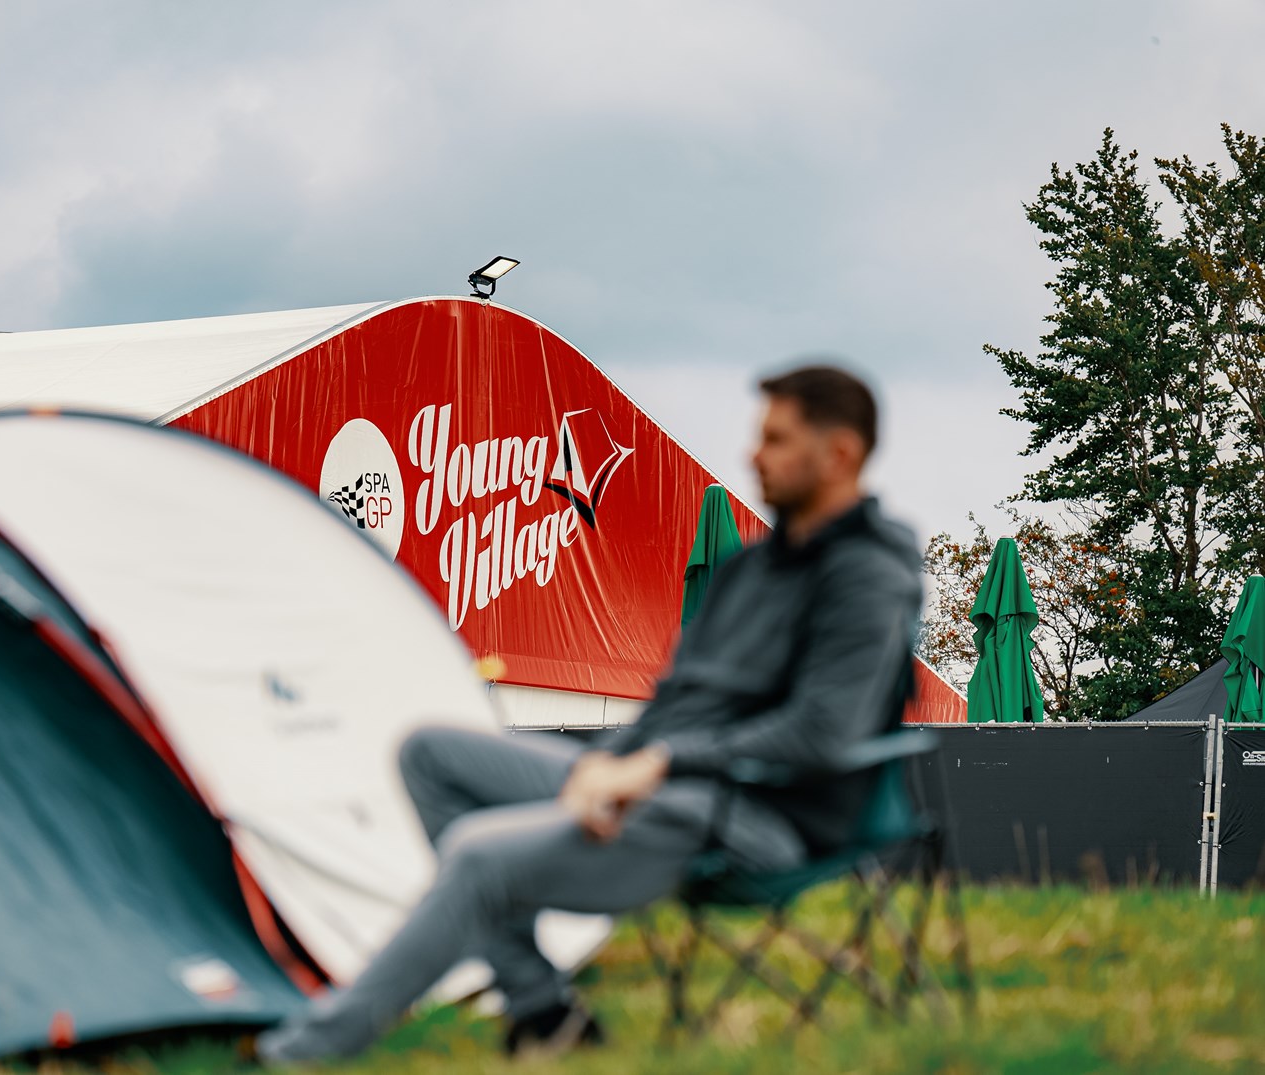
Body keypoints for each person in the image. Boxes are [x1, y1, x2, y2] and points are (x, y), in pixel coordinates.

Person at [254, 364, 923, 1065]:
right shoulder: (749, 570)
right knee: (429, 753)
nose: (752, 456)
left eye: (777, 440)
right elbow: (676, 699)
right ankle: (544, 1010)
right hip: (658, 780)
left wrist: (657, 764)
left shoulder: (868, 576)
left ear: (840, 453)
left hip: (753, 816)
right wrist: (610, 765)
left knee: (478, 852)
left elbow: (822, 733)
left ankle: (300, 1053)